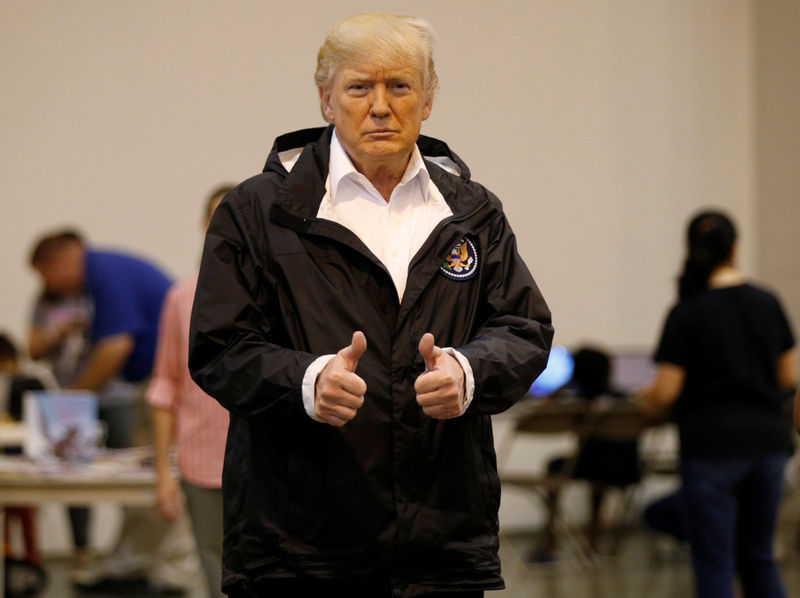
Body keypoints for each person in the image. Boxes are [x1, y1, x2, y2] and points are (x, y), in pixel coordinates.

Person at [188, 13, 553, 598]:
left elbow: (524, 328)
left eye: (399, 86)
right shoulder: (256, 212)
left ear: (428, 100)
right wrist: (307, 381)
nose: (380, 106)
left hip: (442, 544)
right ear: (326, 99)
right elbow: (219, 349)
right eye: (360, 87)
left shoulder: (472, 211)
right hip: (298, 550)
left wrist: (467, 370)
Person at [638, 210, 797, 598]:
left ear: (689, 250)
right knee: (759, 558)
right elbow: (788, 378)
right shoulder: (767, 301)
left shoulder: (687, 312)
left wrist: (645, 400)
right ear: (736, 249)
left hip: (712, 448)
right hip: (769, 445)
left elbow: (666, 392)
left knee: (716, 564)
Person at [29, 231, 197, 595]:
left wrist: (71, 399)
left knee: (162, 481)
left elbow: (115, 347)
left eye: (45, 275)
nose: (46, 286)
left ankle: (168, 572)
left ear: (60, 262)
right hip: (151, 383)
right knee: (150, 481)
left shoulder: (104, 274)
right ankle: (134, 563)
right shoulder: (102, 275)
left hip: (163, 383)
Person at [148, 185, 234, 598]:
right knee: (210, 566)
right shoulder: (181, 298)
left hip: (268, 461)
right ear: (204, 227)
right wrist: (164, 472)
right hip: (201, 458)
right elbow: (165, 386)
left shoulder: (279, 293)